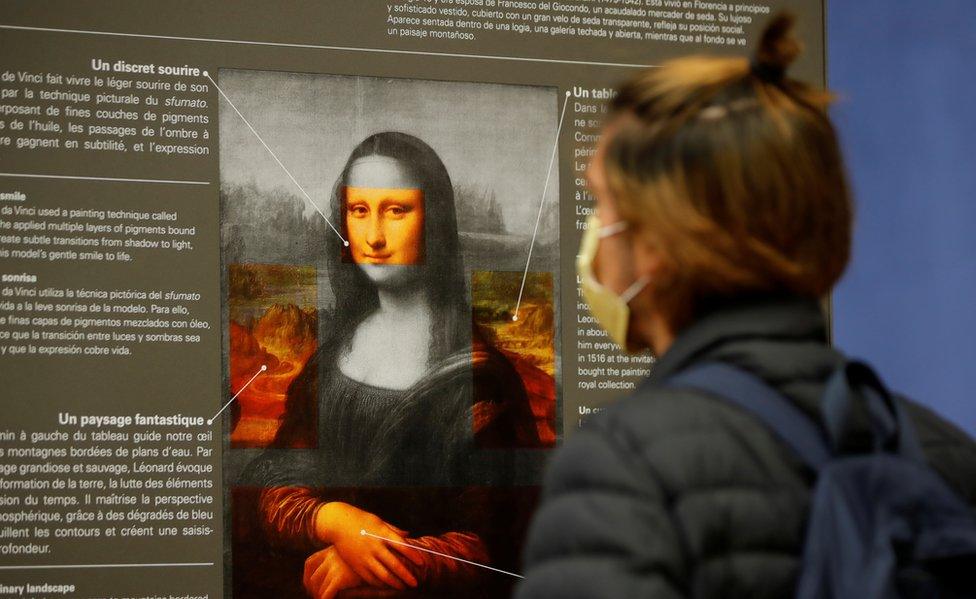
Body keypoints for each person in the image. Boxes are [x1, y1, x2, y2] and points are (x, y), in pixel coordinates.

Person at [515, 13, 976, 599]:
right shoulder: (945, 454)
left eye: (602, 204)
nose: (594, 232)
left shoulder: (625, 465)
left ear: (657, 243)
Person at [242, 132, 539, 599]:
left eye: (396, 210)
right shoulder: (333, 358)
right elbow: (274, 480)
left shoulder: (480, 378)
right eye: (360, 211)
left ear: (434, 222)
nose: (374, 236)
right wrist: (338, 522)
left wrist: (377, 560)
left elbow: (495, 544)